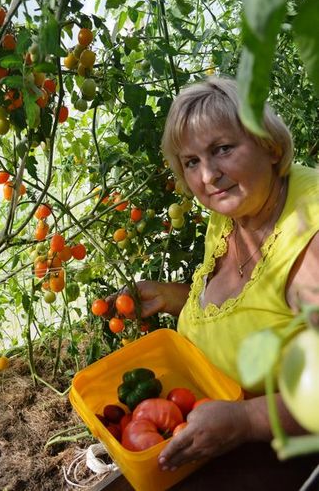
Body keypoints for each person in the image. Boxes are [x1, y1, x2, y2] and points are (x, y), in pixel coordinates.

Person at [117, 77, 319, 488]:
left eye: (222, 149)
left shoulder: (309, 237)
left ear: (270, 146)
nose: (208, 175)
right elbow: (255, 301)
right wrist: (173, 298)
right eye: (191, 161)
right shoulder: (236, 206)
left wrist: (245, 420)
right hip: (202, 424)